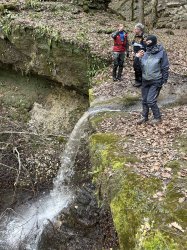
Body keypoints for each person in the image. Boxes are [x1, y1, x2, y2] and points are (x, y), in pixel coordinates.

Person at [135, 35, 169, 125]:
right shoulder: (145, 53)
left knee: (150, 100)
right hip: (145, 80)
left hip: (156, 80)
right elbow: (137, 67)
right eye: (146, 42)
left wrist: (163, 80)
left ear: (154, 42)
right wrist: (137, 57)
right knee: (144, 100)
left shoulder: (161, 53)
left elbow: (165, 67)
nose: (147, 44)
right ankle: (144, 117)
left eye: (149, 42)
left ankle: (157, 117)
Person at [132, 23, 147, 87]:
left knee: (140, 68)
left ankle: (140, 81)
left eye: (135, 29)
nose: (134, 30)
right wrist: (133, 52)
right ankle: (137, 80)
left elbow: (146, 47)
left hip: (142, 56)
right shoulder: (136, 36)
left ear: (139, 29)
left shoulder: (144, 37)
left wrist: (141, 53)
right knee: (135, 67)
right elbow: (134, 44)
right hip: (136, 55)